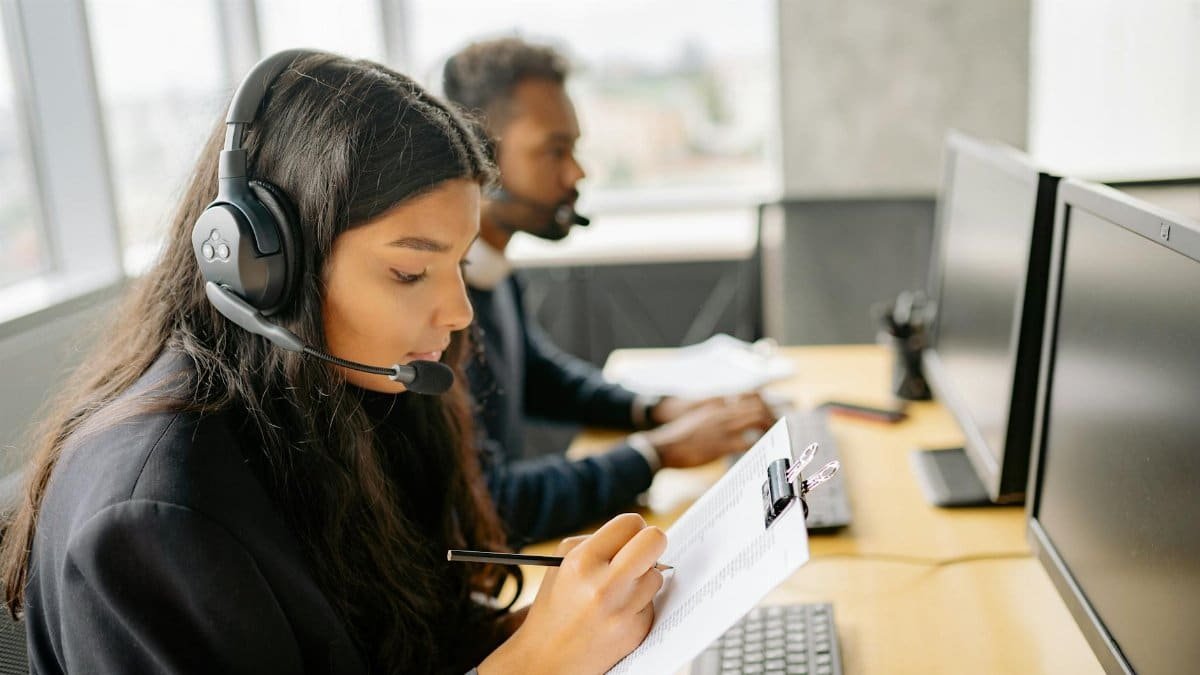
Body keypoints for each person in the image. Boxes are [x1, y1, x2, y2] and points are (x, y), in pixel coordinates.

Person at [0, 50, 666, 675]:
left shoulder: (353, 399)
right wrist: (537, 660)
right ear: (267, 268)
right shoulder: (153, 514)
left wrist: (555, 622)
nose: (459, 311)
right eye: (410, 271)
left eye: (457, 263)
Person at [442, 38, 774, 543]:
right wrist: (656, 453)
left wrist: (655, 410)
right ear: (480, 156)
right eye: (555, 150)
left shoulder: (490, 269)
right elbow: (491, 503)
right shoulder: (441, 311)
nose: (577, 173)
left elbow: (539, 375)